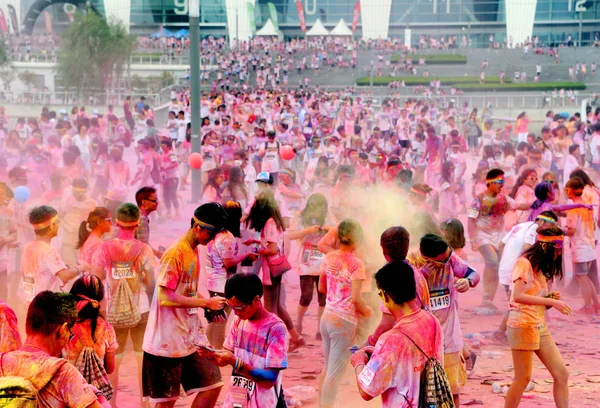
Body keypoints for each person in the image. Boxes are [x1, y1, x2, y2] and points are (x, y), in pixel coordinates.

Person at [141, 203, 229, 408]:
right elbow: (164, 297)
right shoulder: (175, 254)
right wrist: (205, 302)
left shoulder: (194, 250)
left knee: (213, 385)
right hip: (165, 342)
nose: (213, 238)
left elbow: (186, 290)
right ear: (198, 228)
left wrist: (206, 306)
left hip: (190, 337)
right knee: (166, 403)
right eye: (212, 233)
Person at [350, 260, 443, 407]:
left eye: (380, 294)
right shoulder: (431, 320)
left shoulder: (390, 340)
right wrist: (378, 353)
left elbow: (366, 391)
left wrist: (358, 362)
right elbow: (412, 359)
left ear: (386, 296)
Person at [90, 203, 156, 408]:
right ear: (137, 224)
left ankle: (113, 402)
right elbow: (151, 281)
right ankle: (144, 403)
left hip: (113, 310)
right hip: (140, 309)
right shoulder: (144, 249)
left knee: (113, 360)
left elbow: (97, 276)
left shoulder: (105, 248)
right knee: (141, 357)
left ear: (117, 223)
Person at [0, 291, 108, 408]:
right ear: (63, 330)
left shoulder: (2, 362)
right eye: (70, 333)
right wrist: (98, 395)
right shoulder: (64, 373)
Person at [196, 273, 289, 408]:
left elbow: (270, 379)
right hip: (238, 401)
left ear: (257, 299)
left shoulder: (276, 329)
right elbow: (225, 357)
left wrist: (235, 362)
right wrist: (211, 355)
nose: (236, 313)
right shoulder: (239, 321)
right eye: (231, 308)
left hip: (265, 403)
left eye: (240, 308)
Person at [408, 234, 480, 406]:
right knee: (424, 391)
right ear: (428, 259)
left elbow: (474, 274)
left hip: (449, 336)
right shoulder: (411, 263)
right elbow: (405, 297)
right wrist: (421, 277)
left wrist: (468, 282)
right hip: (422, 339)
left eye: (448, 257)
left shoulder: (450, 258)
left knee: (453, 389)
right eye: (442, 261)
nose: (447, 262)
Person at [504, 226, 571, 408]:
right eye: (556, 249)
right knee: (522, 379)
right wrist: (552, 303)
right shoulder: (524, 263)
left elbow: (536, 300)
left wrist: (549, 300)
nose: (559, 254)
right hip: (522, 326)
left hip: (538, 325)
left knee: (561, 374)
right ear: (544, 247)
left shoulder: (539, 268)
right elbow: (517, 296)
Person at [318, 219, 372, 408]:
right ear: (356, 240)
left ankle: (322, 404)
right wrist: (367, 312)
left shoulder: (329, 257)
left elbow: (321, 287)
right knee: (334, 373)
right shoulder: (356, 264)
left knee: (328, 369)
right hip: (343, 321)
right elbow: (357, 299)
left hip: (327, 317)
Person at [243, 193, 305, 351]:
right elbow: (273, 244)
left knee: (270, 309)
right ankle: (296, 337)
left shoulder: (269, 223)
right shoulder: (274, 221)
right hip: (275, 268)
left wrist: (256, 250)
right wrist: (257, 242)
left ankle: (274, 344)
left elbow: (271, 249)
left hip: (270, 270)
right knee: (278, 306)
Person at [468, 169, 531, 315]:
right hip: (481, 235)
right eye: (498, 183)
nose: (501, 186)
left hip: (498, 237)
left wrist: (538, 203)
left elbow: (521, 205)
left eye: (502, 183)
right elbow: (471, 220)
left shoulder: (504, 199)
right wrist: (472, 239)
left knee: (499, 265)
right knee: (492, 261)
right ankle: (486, 298)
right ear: (489, 183)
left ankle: (490, 298)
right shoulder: (478, 200)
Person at [493, 211, 560, 344]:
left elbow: (500, 245)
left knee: (515, 303)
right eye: (550, 226)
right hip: (516, 270)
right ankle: (500, 333)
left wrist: (507, 259)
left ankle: (505, 332)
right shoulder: (534, 228)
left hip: (507, 268)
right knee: (516, 305)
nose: (550, 230)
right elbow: (526, 248)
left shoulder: (520, 226)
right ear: (541, 221)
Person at [204, 201, 257, 349]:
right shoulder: (228, 237)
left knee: (215, 319)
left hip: (213, 280)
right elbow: (228, 263)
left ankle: (210, 347)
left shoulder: (217, 234)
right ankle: (218, 349)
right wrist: (246, 254)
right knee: (221, 319)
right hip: (222, 283)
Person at [287, 193, 334, 340]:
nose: (319, 211)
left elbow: (337, 229)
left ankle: (320, 329)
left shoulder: (328, 215)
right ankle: (299, 324)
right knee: (306, 295)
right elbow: (291, 235)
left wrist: (328, 229)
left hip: (323, 257)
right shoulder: (300, 216)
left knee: (323, 297)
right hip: (307, 259)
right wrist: (308, 230)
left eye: (321, 208)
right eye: (316, 207)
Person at [63, 275, 117, 397]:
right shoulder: (107, 329)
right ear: (99, 300)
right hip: (95, 398)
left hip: (67, 394)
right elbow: (110, 369)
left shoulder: (63, 326)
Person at [21, 206, 86, 306]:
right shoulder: (48, 251)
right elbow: (65, 276)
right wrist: (80, 268)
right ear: (51, 226)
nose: (58, 225)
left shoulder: (28, 247)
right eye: (57, 222)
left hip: (30, 302)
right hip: (47, 305)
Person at [564, 177, 600, 314]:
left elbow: (571, 231)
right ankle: (596, 304)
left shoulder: (574, 209)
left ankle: (588, 306)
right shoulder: (587, 206)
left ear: (570, 190)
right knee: (585, 276)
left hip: (580, 248)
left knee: (581, 277)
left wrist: (559, 231)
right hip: (589, 246)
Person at [59, 178, 97, 270]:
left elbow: (95, 223)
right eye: (75, 191)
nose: (77, 195)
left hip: (83, 241)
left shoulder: (92, 204)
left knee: (85, 269)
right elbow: (60, 216)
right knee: (69, 269)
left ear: (86, 190)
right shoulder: (66, 202)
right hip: (67, 240)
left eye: (80, 192)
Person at [134, 187, 163, 259]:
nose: (157, 203)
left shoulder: (137, 215)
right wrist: (158, 253)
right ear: (144, 202)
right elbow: (143, 245)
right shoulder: (142, 219)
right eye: (154, 200)